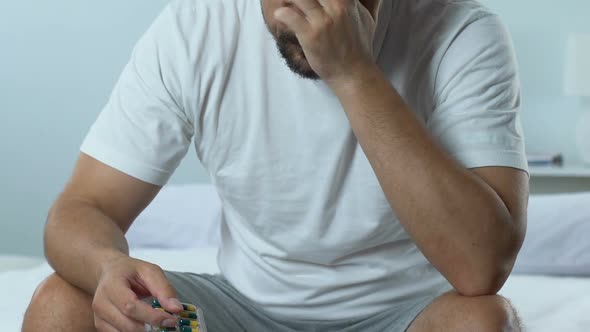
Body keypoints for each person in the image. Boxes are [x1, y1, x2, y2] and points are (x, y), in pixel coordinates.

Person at [23, 0, 529, 331]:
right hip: (234, 315)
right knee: (59, 304)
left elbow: (481, 267)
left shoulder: (461, 32)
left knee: (484, 322)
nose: (306, 13)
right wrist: (109, 267)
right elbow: (82, 207)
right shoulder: (196, 28)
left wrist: (354, 72)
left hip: (404, 317)